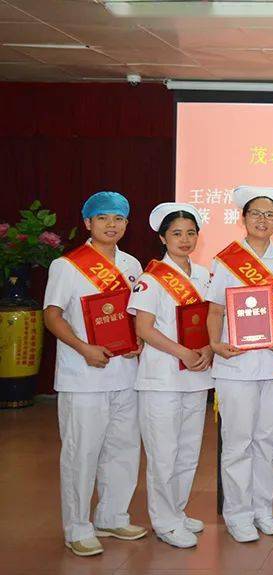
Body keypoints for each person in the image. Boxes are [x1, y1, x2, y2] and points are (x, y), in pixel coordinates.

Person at [43, 191, 147, 556]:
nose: (111, 225)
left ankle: (112, 514)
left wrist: (140, 343)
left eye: (118, 219)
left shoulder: (133, 265)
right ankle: (77, 526)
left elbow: (135, 317)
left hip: (126, 374)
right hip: (82, 376)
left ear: (126, 224)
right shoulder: (67, 266)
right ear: (88, 223)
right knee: (81, 452)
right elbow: (52, 315)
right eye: (103, 218)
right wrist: (83, 348)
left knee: (124, 448)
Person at [206, 186, 273, 543]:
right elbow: (215, 311)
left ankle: (262, 508)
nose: (262, 220)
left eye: (269, 214)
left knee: (267, 440)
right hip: (236, 366)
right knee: (238, 441)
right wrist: (215, 344)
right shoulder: (226, 260)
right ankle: (237, 513)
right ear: (243, 218)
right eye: (255, 213)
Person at [128, 202, 213, 549]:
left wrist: (207, 349)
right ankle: (163, 521)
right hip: (161, 378)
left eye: (190, 233)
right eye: (176, 233)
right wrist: (183, 353)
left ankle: (177, 511)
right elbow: (144, 329)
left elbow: (210, 320)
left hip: (195, 375)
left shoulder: (204, 275)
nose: (185, 239)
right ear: (162, 237)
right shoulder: (151, 280)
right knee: (163, 452)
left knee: (188, 450)